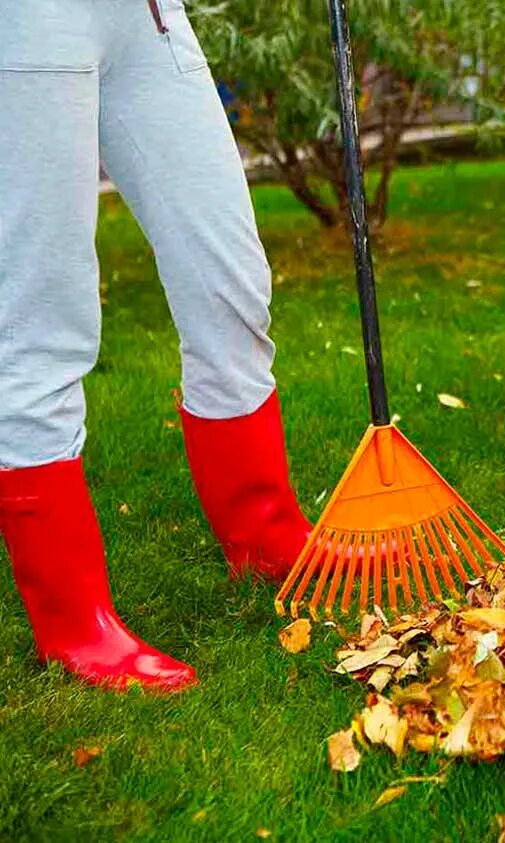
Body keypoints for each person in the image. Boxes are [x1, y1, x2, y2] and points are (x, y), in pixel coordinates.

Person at [0, 0, 312, 692]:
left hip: (146, 14)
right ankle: (73, 622)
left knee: (228, 282)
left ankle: (265, 537)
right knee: (41, 314)